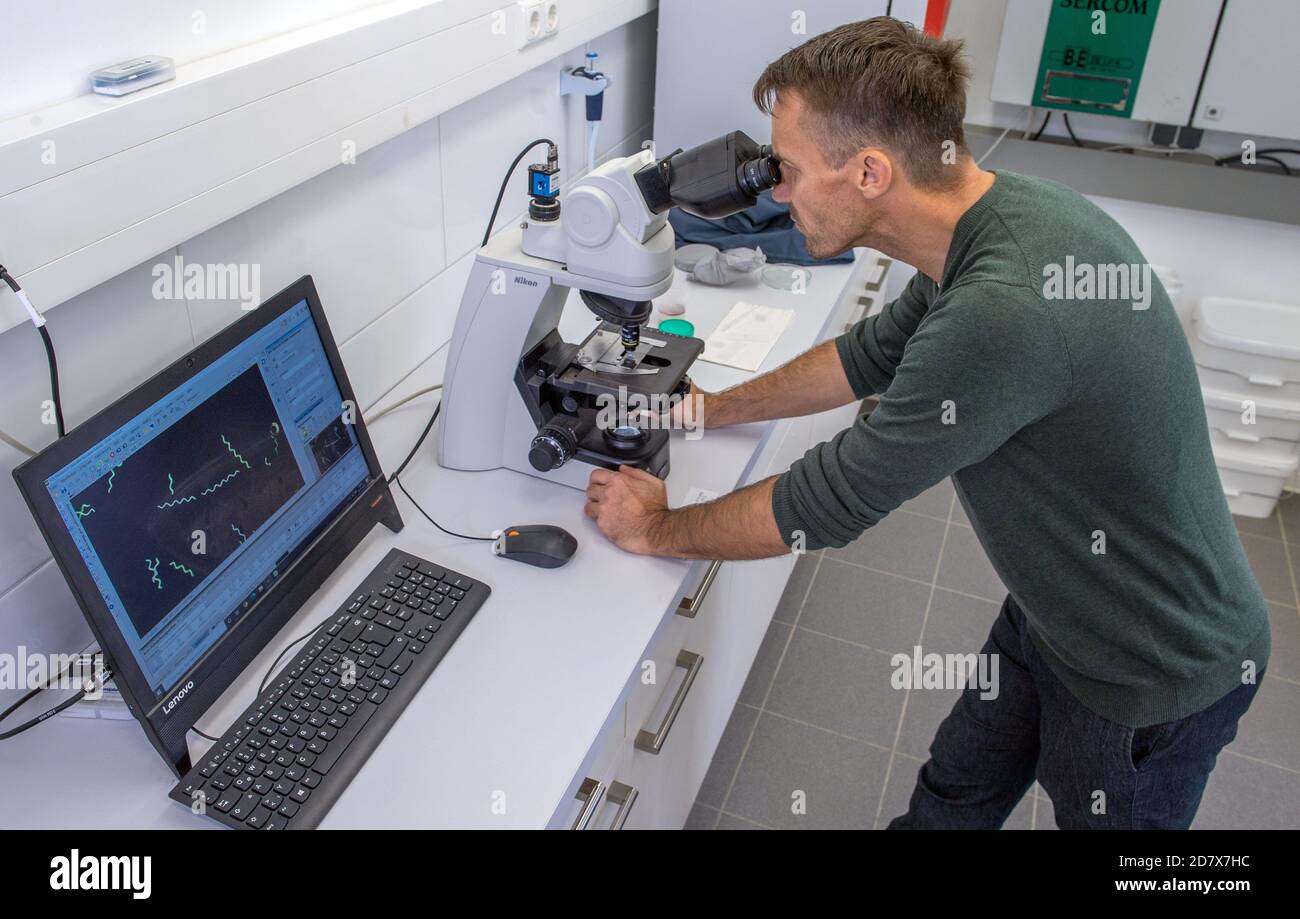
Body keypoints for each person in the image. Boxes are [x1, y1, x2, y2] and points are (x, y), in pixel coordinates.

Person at [582, 17, 1269, 829]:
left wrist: (655, 529)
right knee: (951, 803)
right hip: (1052, 609)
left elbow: (824, 503)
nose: (774, 192)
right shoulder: (993, 224)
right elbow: (864, 355)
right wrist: (710, 408)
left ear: (870, 171)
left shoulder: (1004, 312)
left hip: (1149, 667)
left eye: (791, 170)